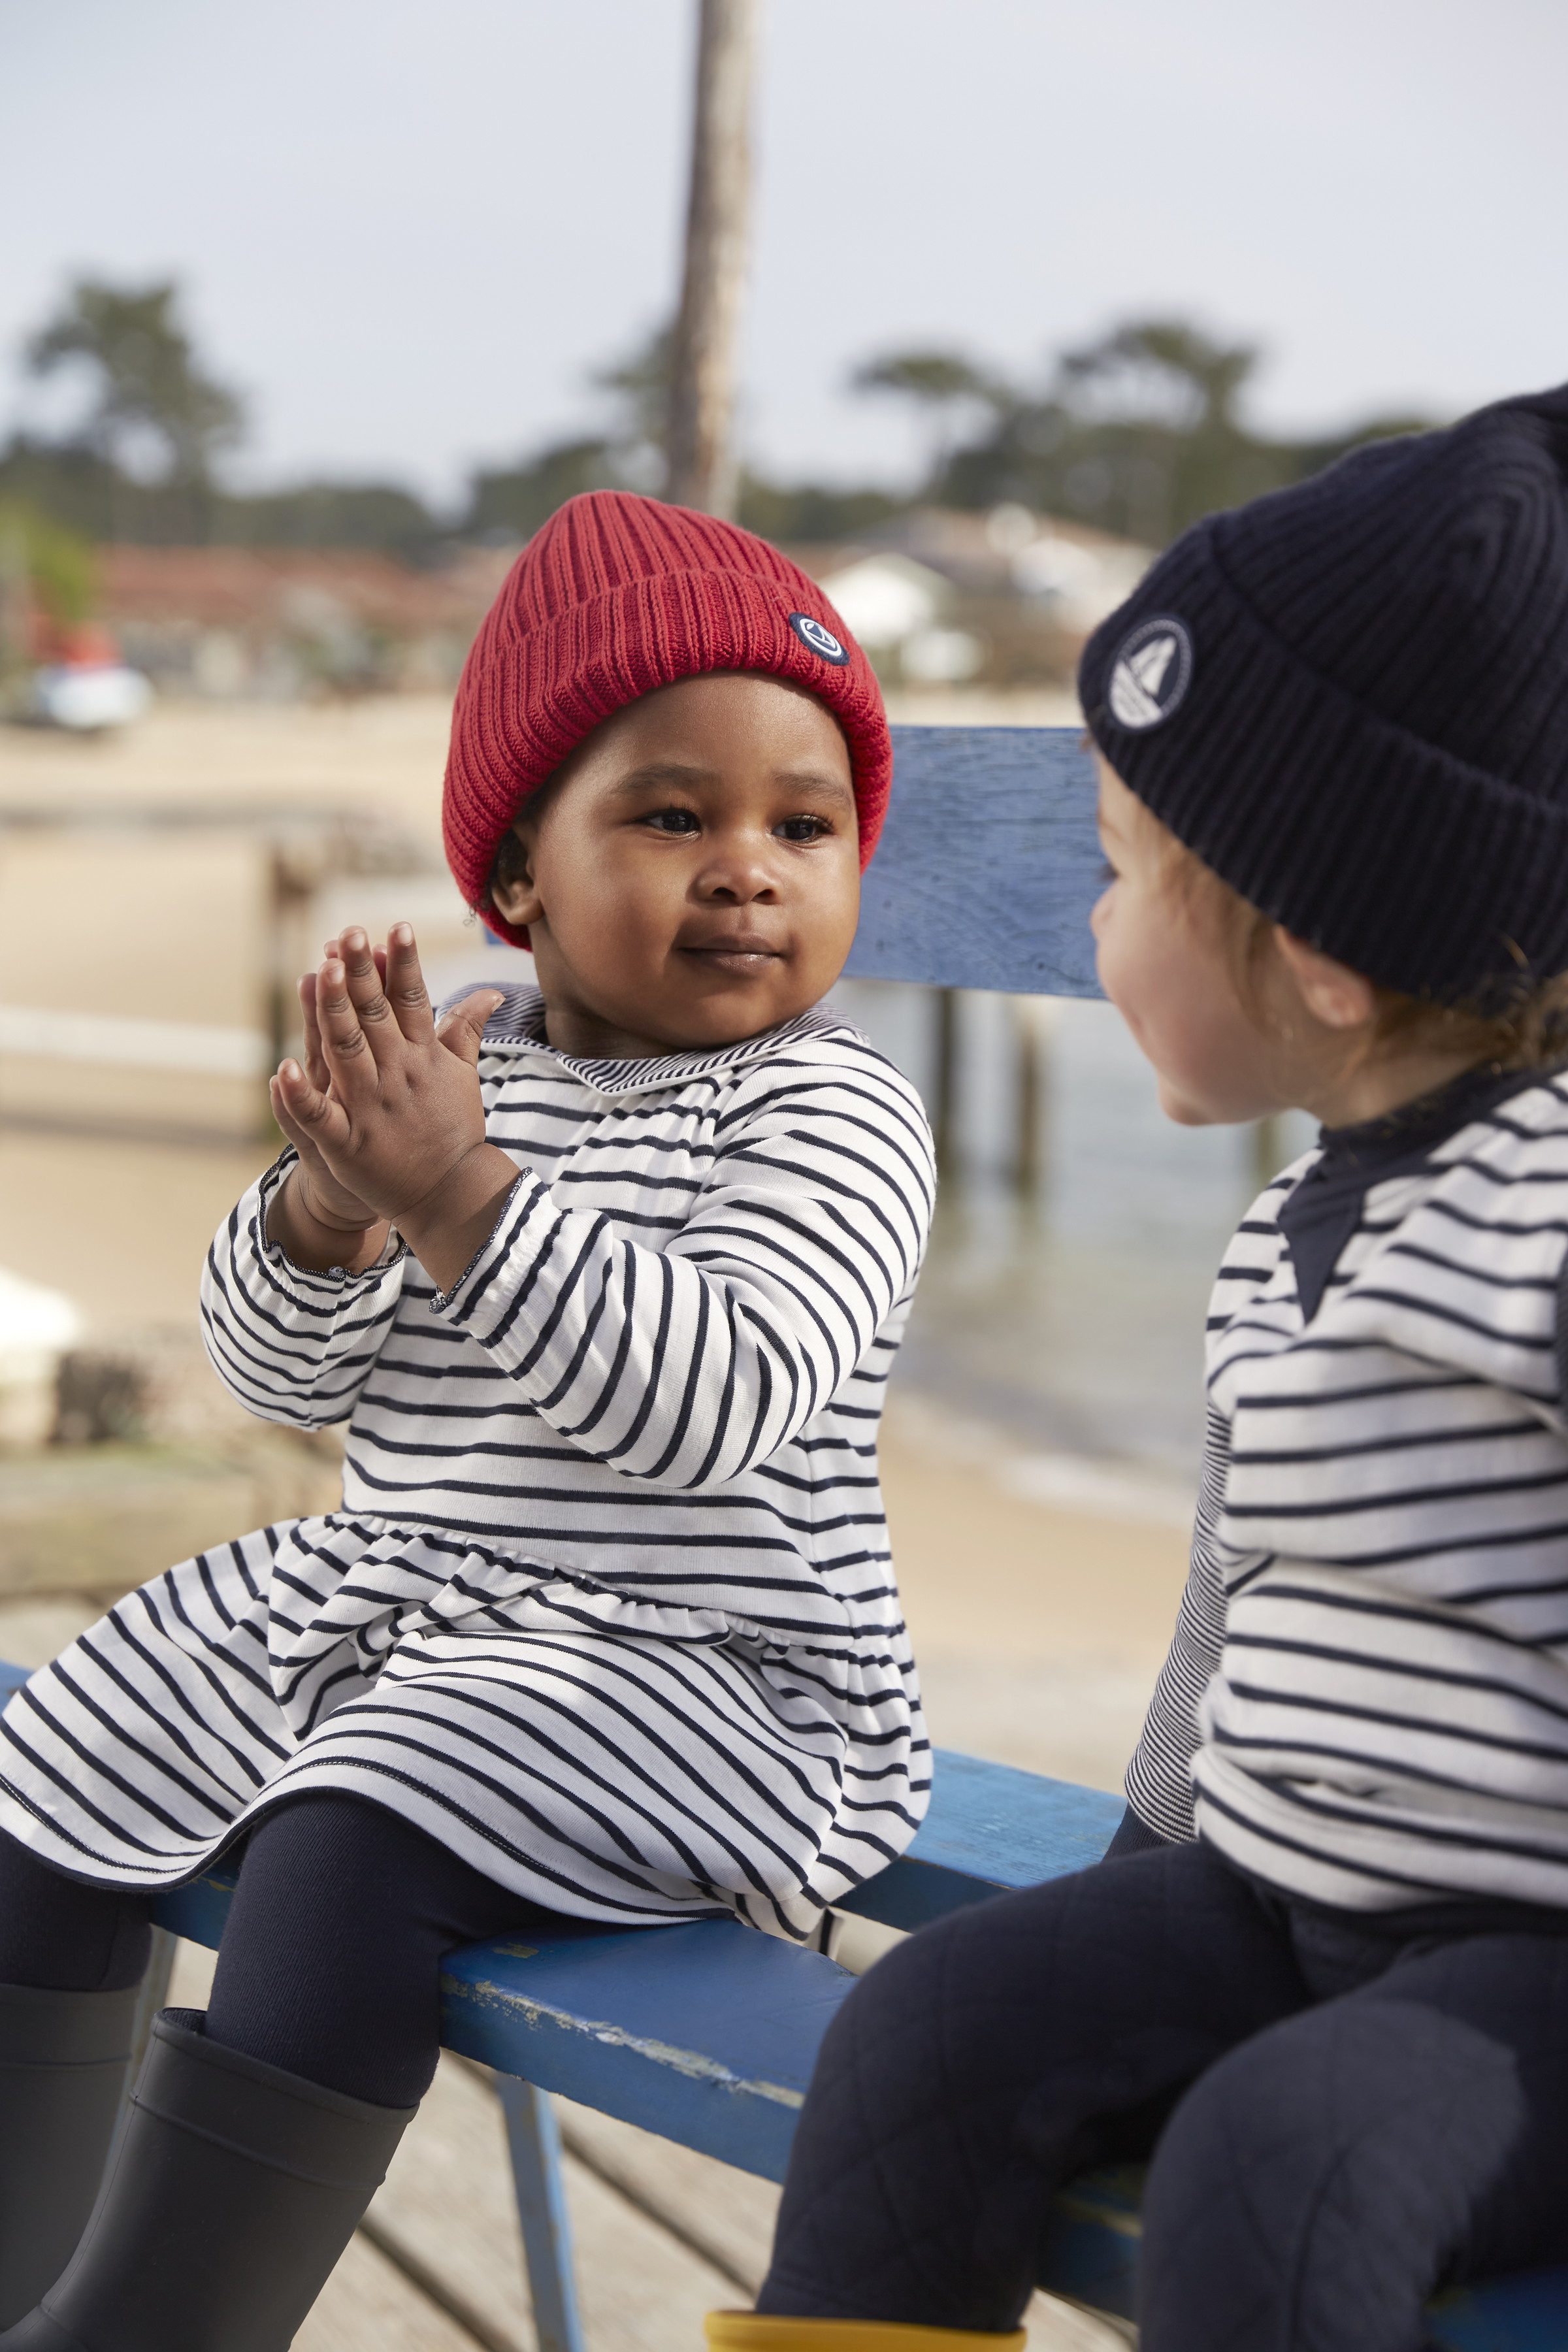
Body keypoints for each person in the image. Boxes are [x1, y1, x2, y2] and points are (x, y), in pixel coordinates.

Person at [0, 493, 935, 2351]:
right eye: (674, 816)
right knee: (73, 1725)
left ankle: (149, 2327)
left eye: (803, 826)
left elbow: (716, 1406)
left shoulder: (831, 1117)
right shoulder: (465, 1077)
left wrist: (462, 1201)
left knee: (353, 1827)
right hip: (424, 1615)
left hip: (721, 1686)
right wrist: (328, 1214)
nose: (749, 867)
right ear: (515, 876)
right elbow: (277, 1385)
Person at [713, 384, 1568, 2352]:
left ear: (1322, 957)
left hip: (1529, 1974)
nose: (1088, 924)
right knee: (935, 2022)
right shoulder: (1292, 1229)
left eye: (1118, 873)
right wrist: (1132, 1884)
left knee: (1284, 2162)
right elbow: (1224, 1607)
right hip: (1279, 1893)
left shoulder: (1545, 1212)